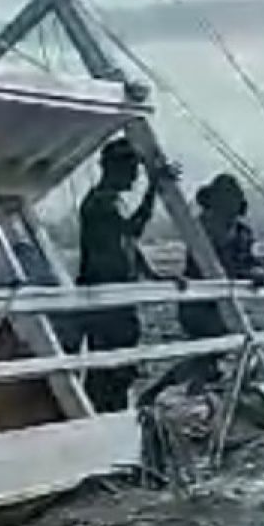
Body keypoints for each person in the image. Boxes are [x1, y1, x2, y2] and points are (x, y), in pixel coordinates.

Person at [76, 136, 173, 412]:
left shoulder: (110, 202)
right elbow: (133, 230)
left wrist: (153, 275)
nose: (134, 178)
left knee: (119, 368)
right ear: (116, 168)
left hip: (117, 300)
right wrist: (154, 188)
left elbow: (127, 245)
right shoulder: (101, 204)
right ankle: (108, 421)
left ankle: (113, 415)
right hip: (106, 302)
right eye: (132, 171)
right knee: (110, 371)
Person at [177, 173, 264, 388]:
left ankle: (199, 392)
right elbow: (215, 266)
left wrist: (263, 269)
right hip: (199, 305)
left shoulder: (242, 232)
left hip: (224, 303)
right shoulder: (200, 229)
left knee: (213, 358)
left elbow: (247, 260)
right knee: (210, 356)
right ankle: (171, 391)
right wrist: (248, 271)